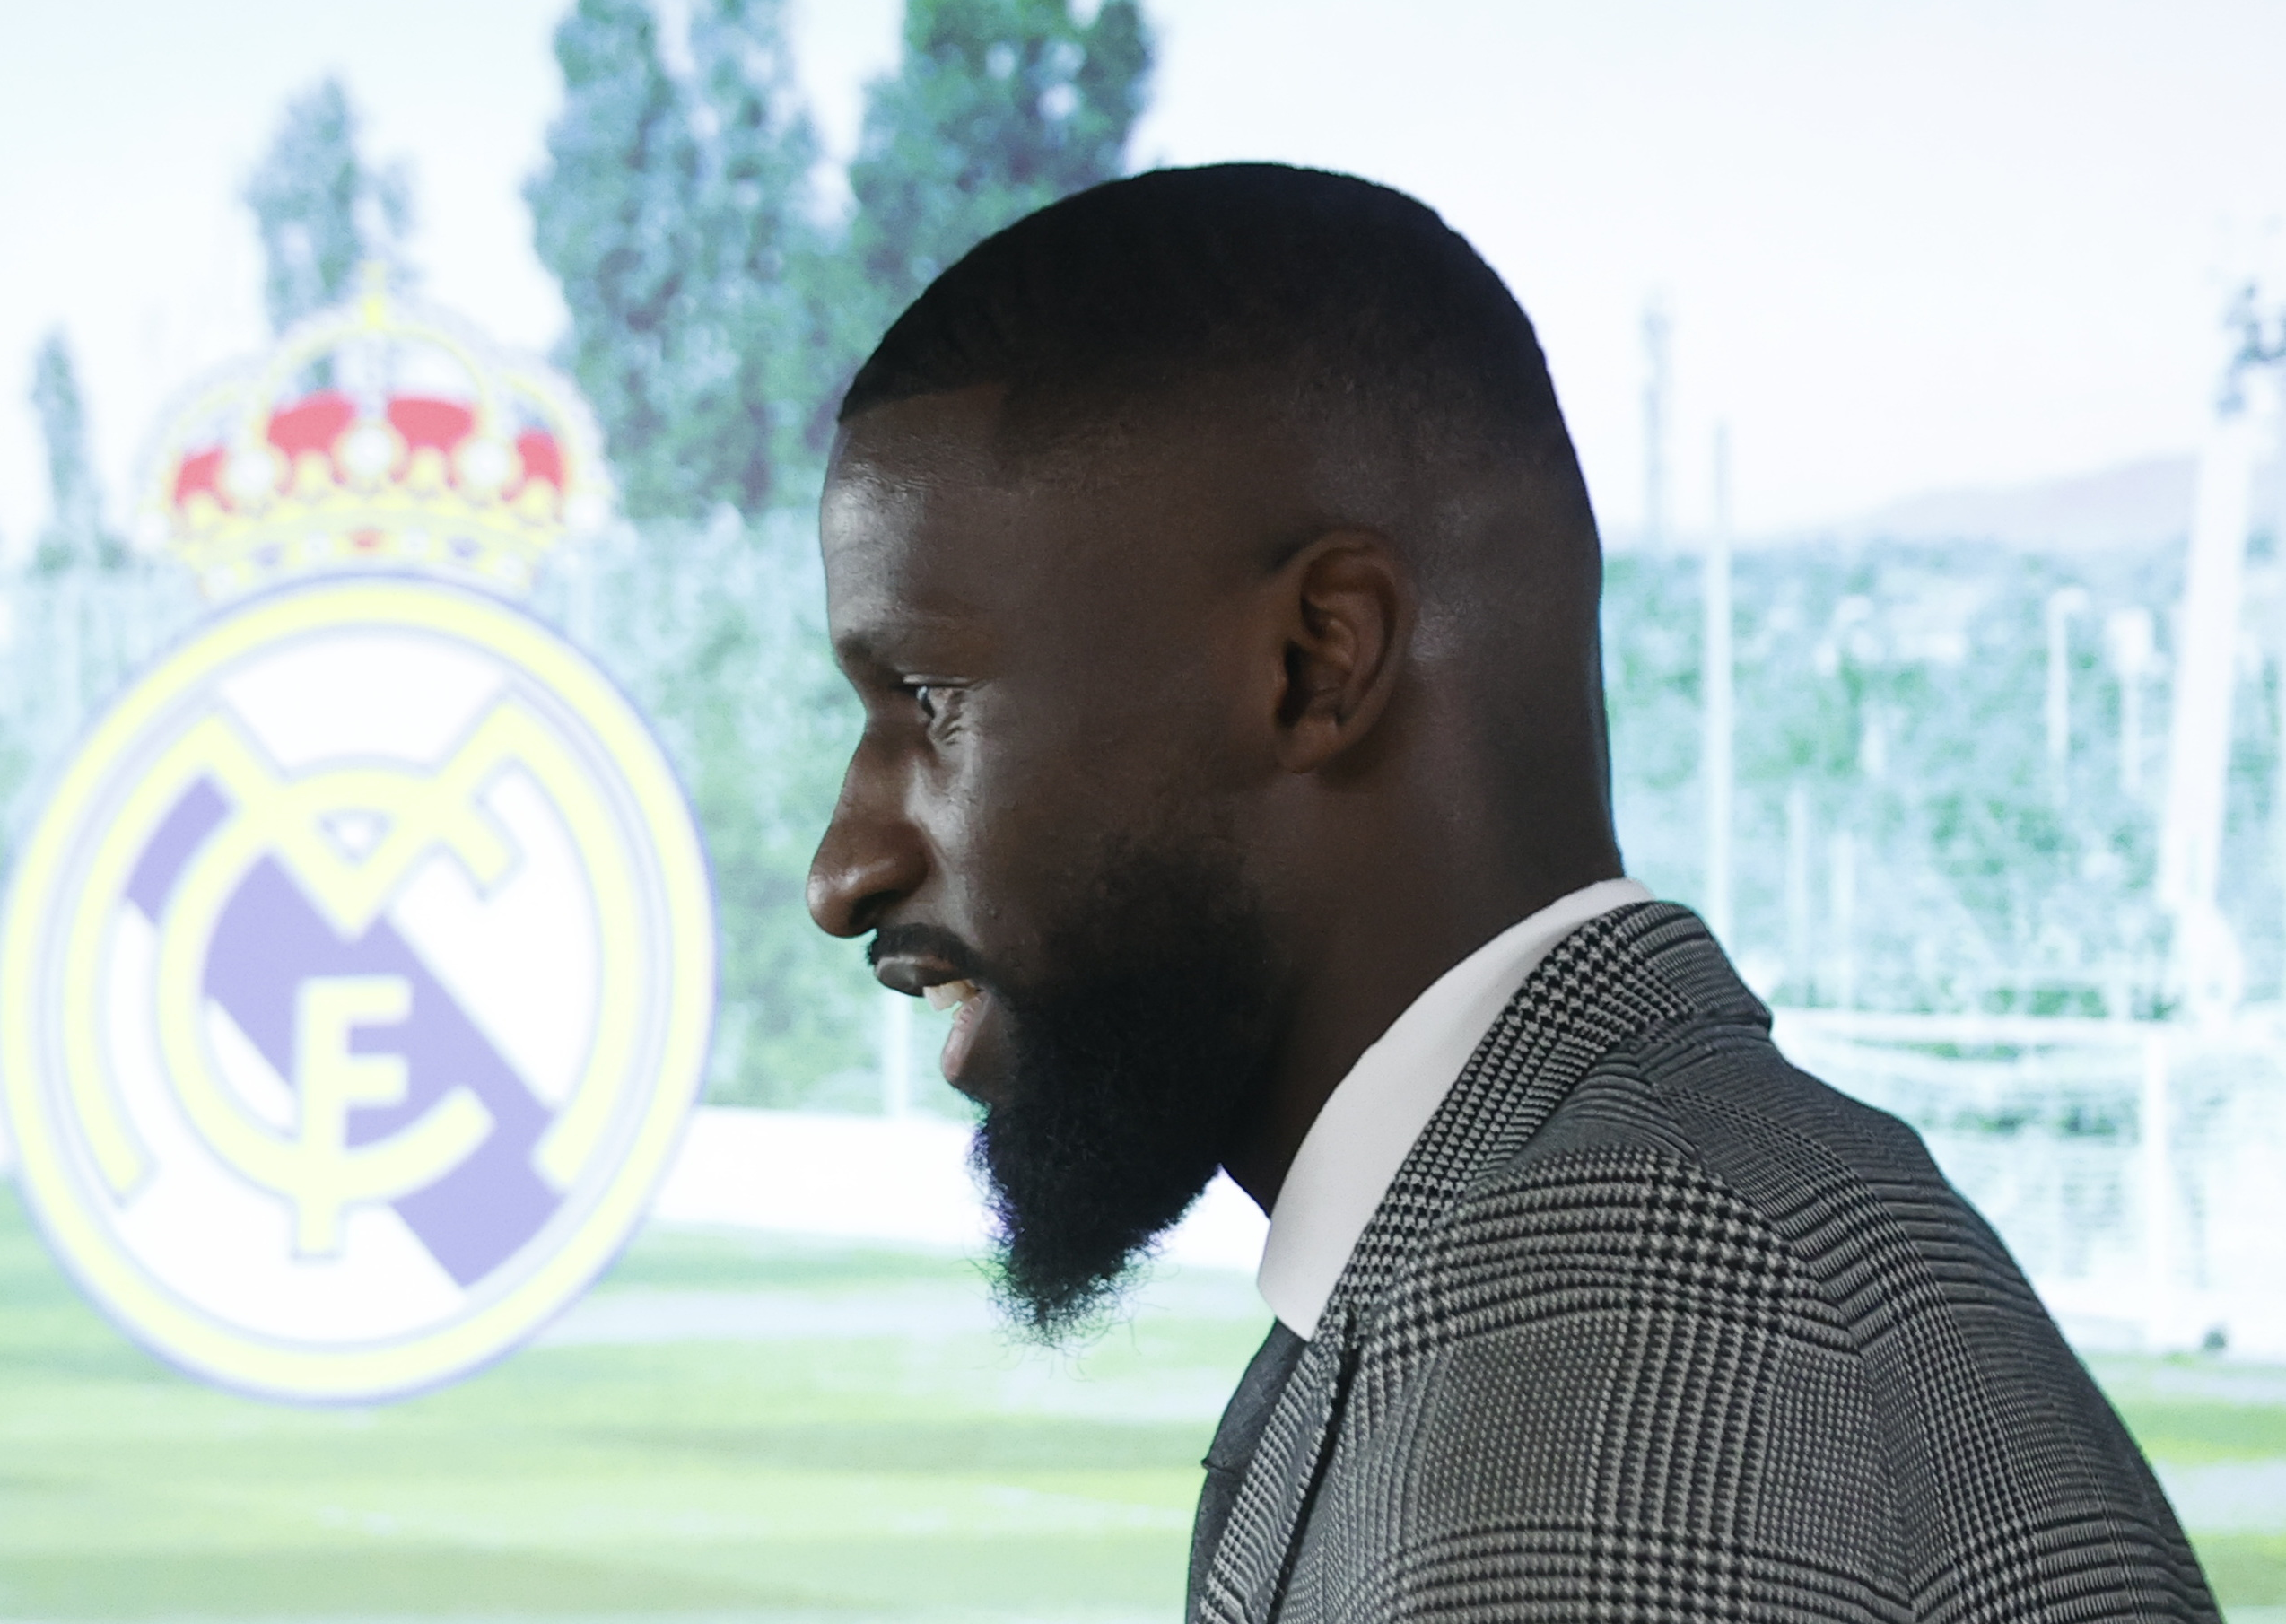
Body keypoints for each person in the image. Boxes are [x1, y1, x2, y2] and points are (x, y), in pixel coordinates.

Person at [803, 164, 2213, 1622]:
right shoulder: (1517, 1257)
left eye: (929, 699)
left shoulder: (1623, 1350)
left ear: (1317, 664)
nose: (842, 873)